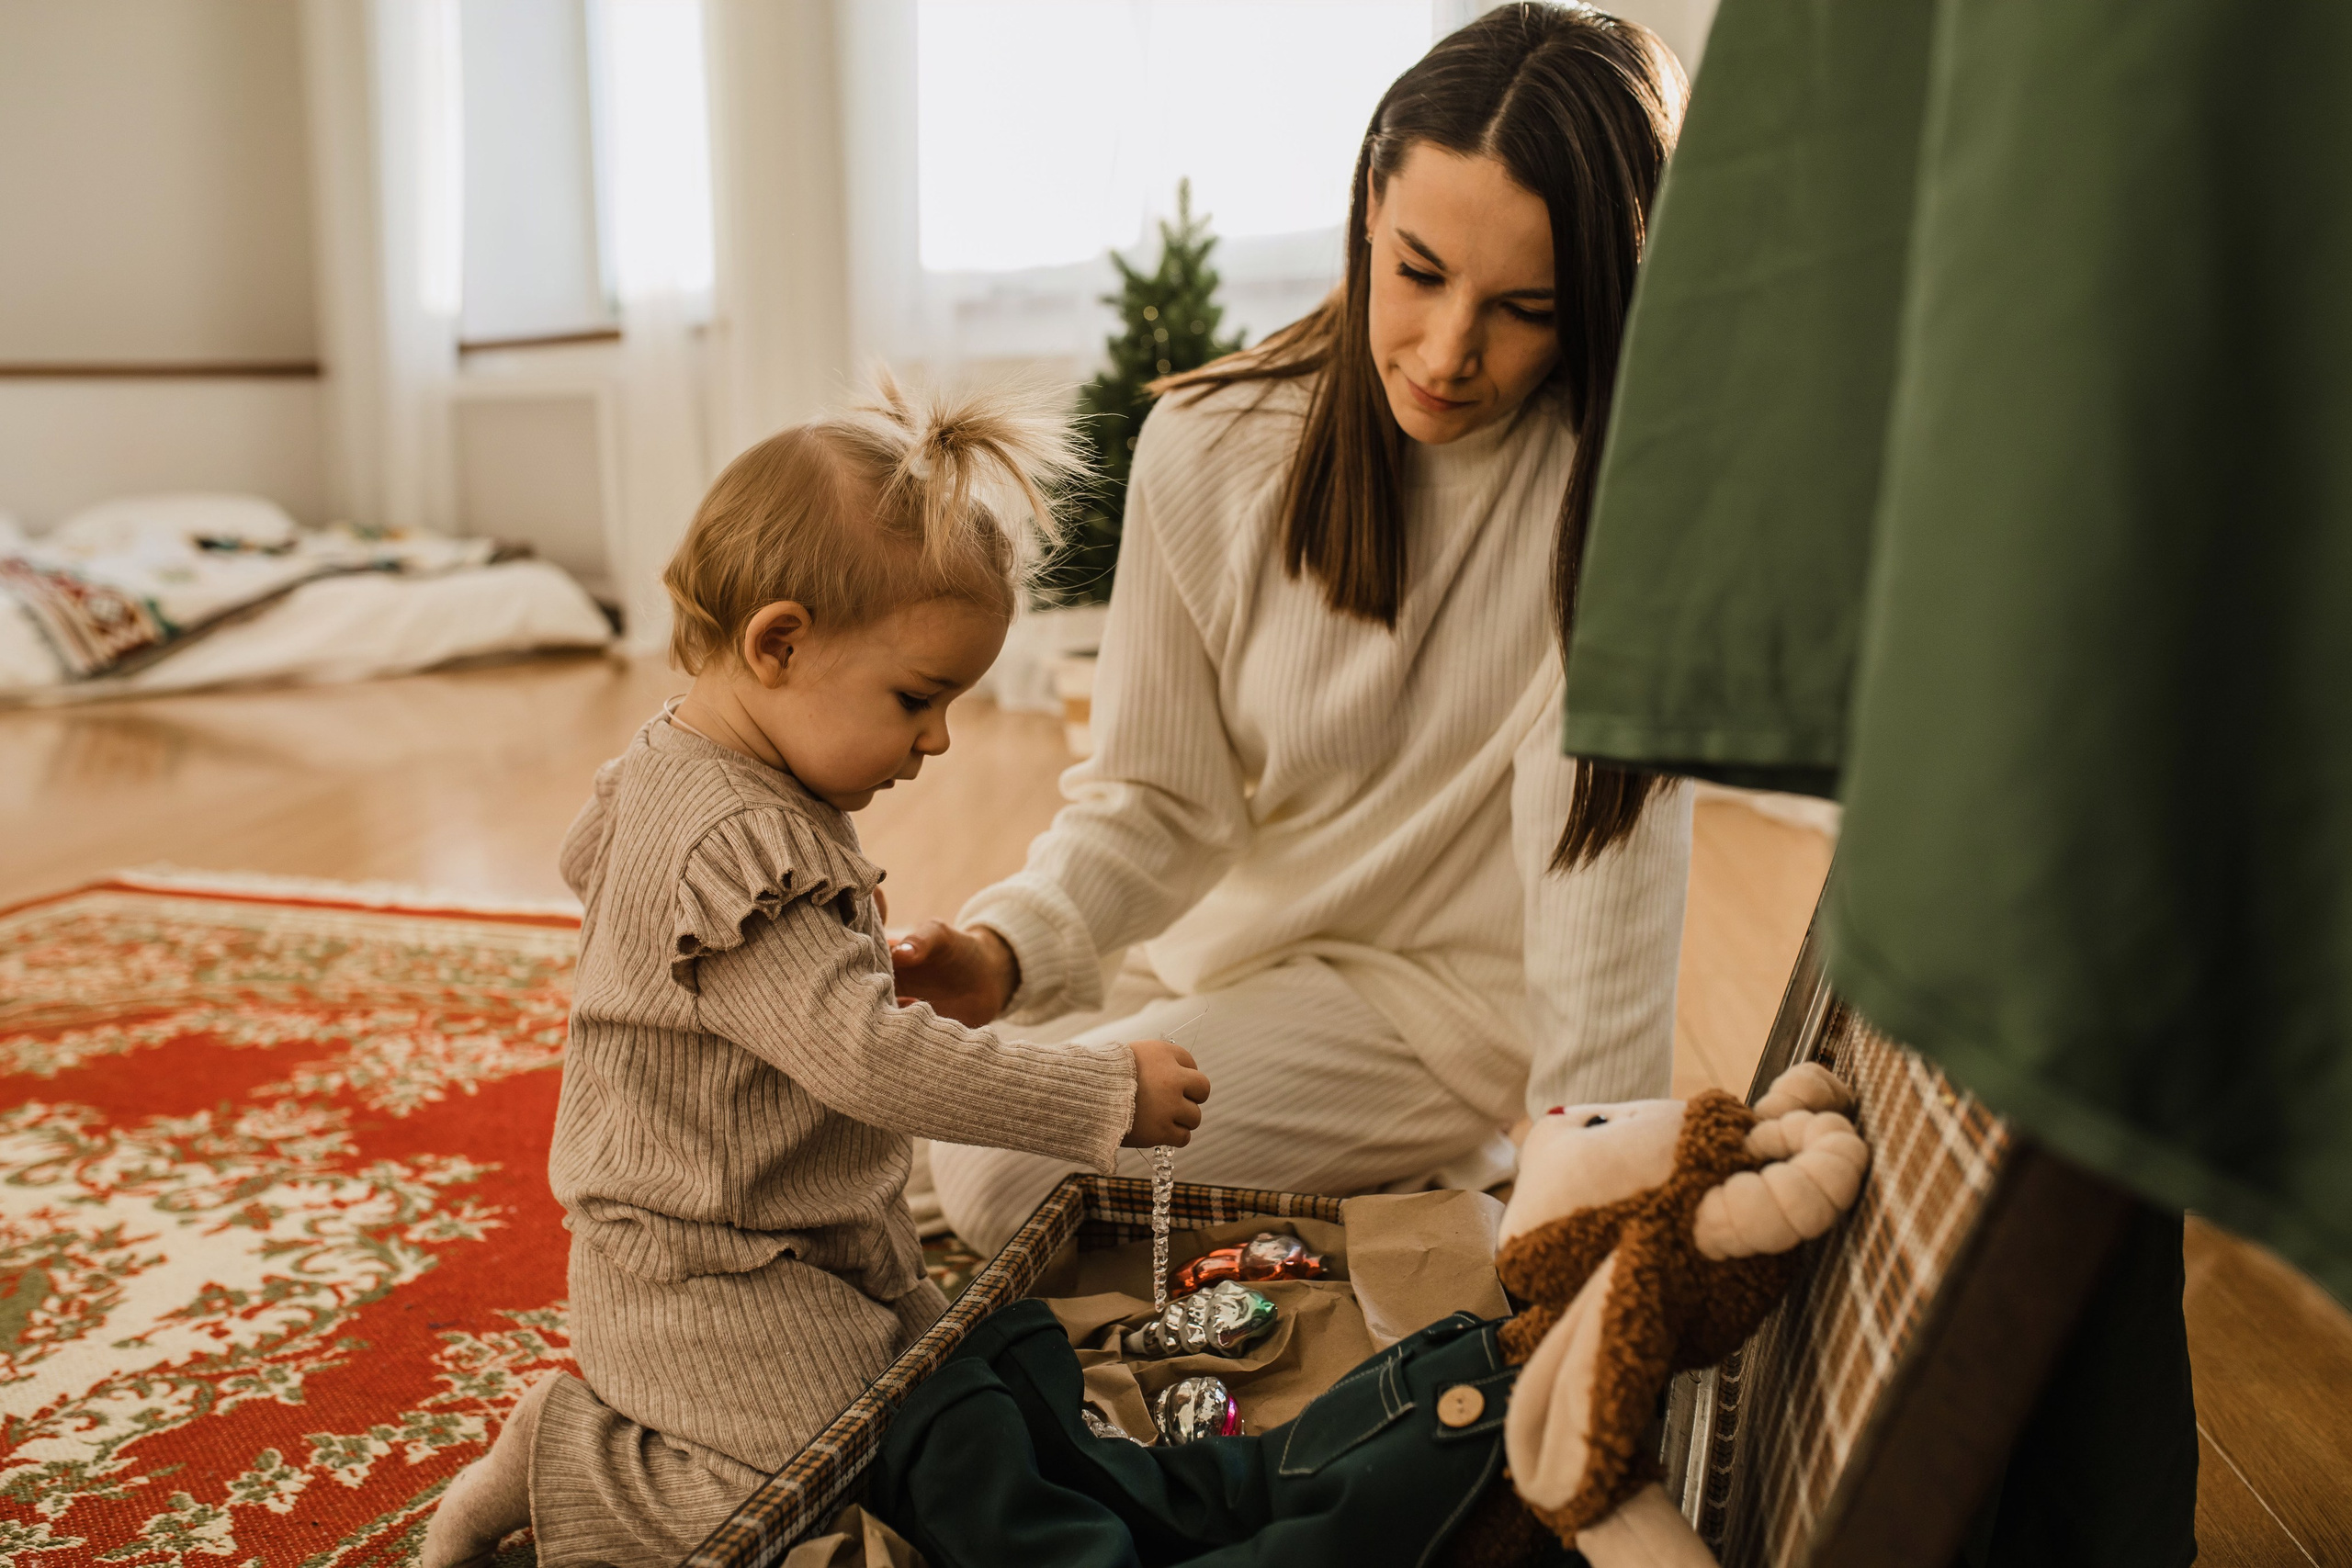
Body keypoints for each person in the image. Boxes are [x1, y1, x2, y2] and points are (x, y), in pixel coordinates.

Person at [895, 2, 1697, 1254]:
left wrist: (1584, 1172)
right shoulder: (1211, 443)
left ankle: (1450, 1182)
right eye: (1419, 271)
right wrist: (1006, 951)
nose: (1446, 352)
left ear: (1598, 296)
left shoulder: (1621, 502)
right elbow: (1156, 802)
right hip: (1215, 963)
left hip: (1433, 1014)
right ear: (1368, 211)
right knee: (872, 1119)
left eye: (1524, 308)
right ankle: (1371, 1190)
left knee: (1001, 1175)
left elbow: (1604, 881)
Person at [420, 377, 1211, 1568]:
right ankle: (567, 1453)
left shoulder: (705, 772)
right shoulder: (729, 834)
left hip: (811, 1236)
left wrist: (814, 966)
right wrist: (1099, 1096)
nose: (937, 740)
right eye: (916, 699)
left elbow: (656, 914)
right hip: (700, 1273)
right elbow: (861, 1062)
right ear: (779, 643)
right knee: (836, 1477)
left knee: (952, 1403)